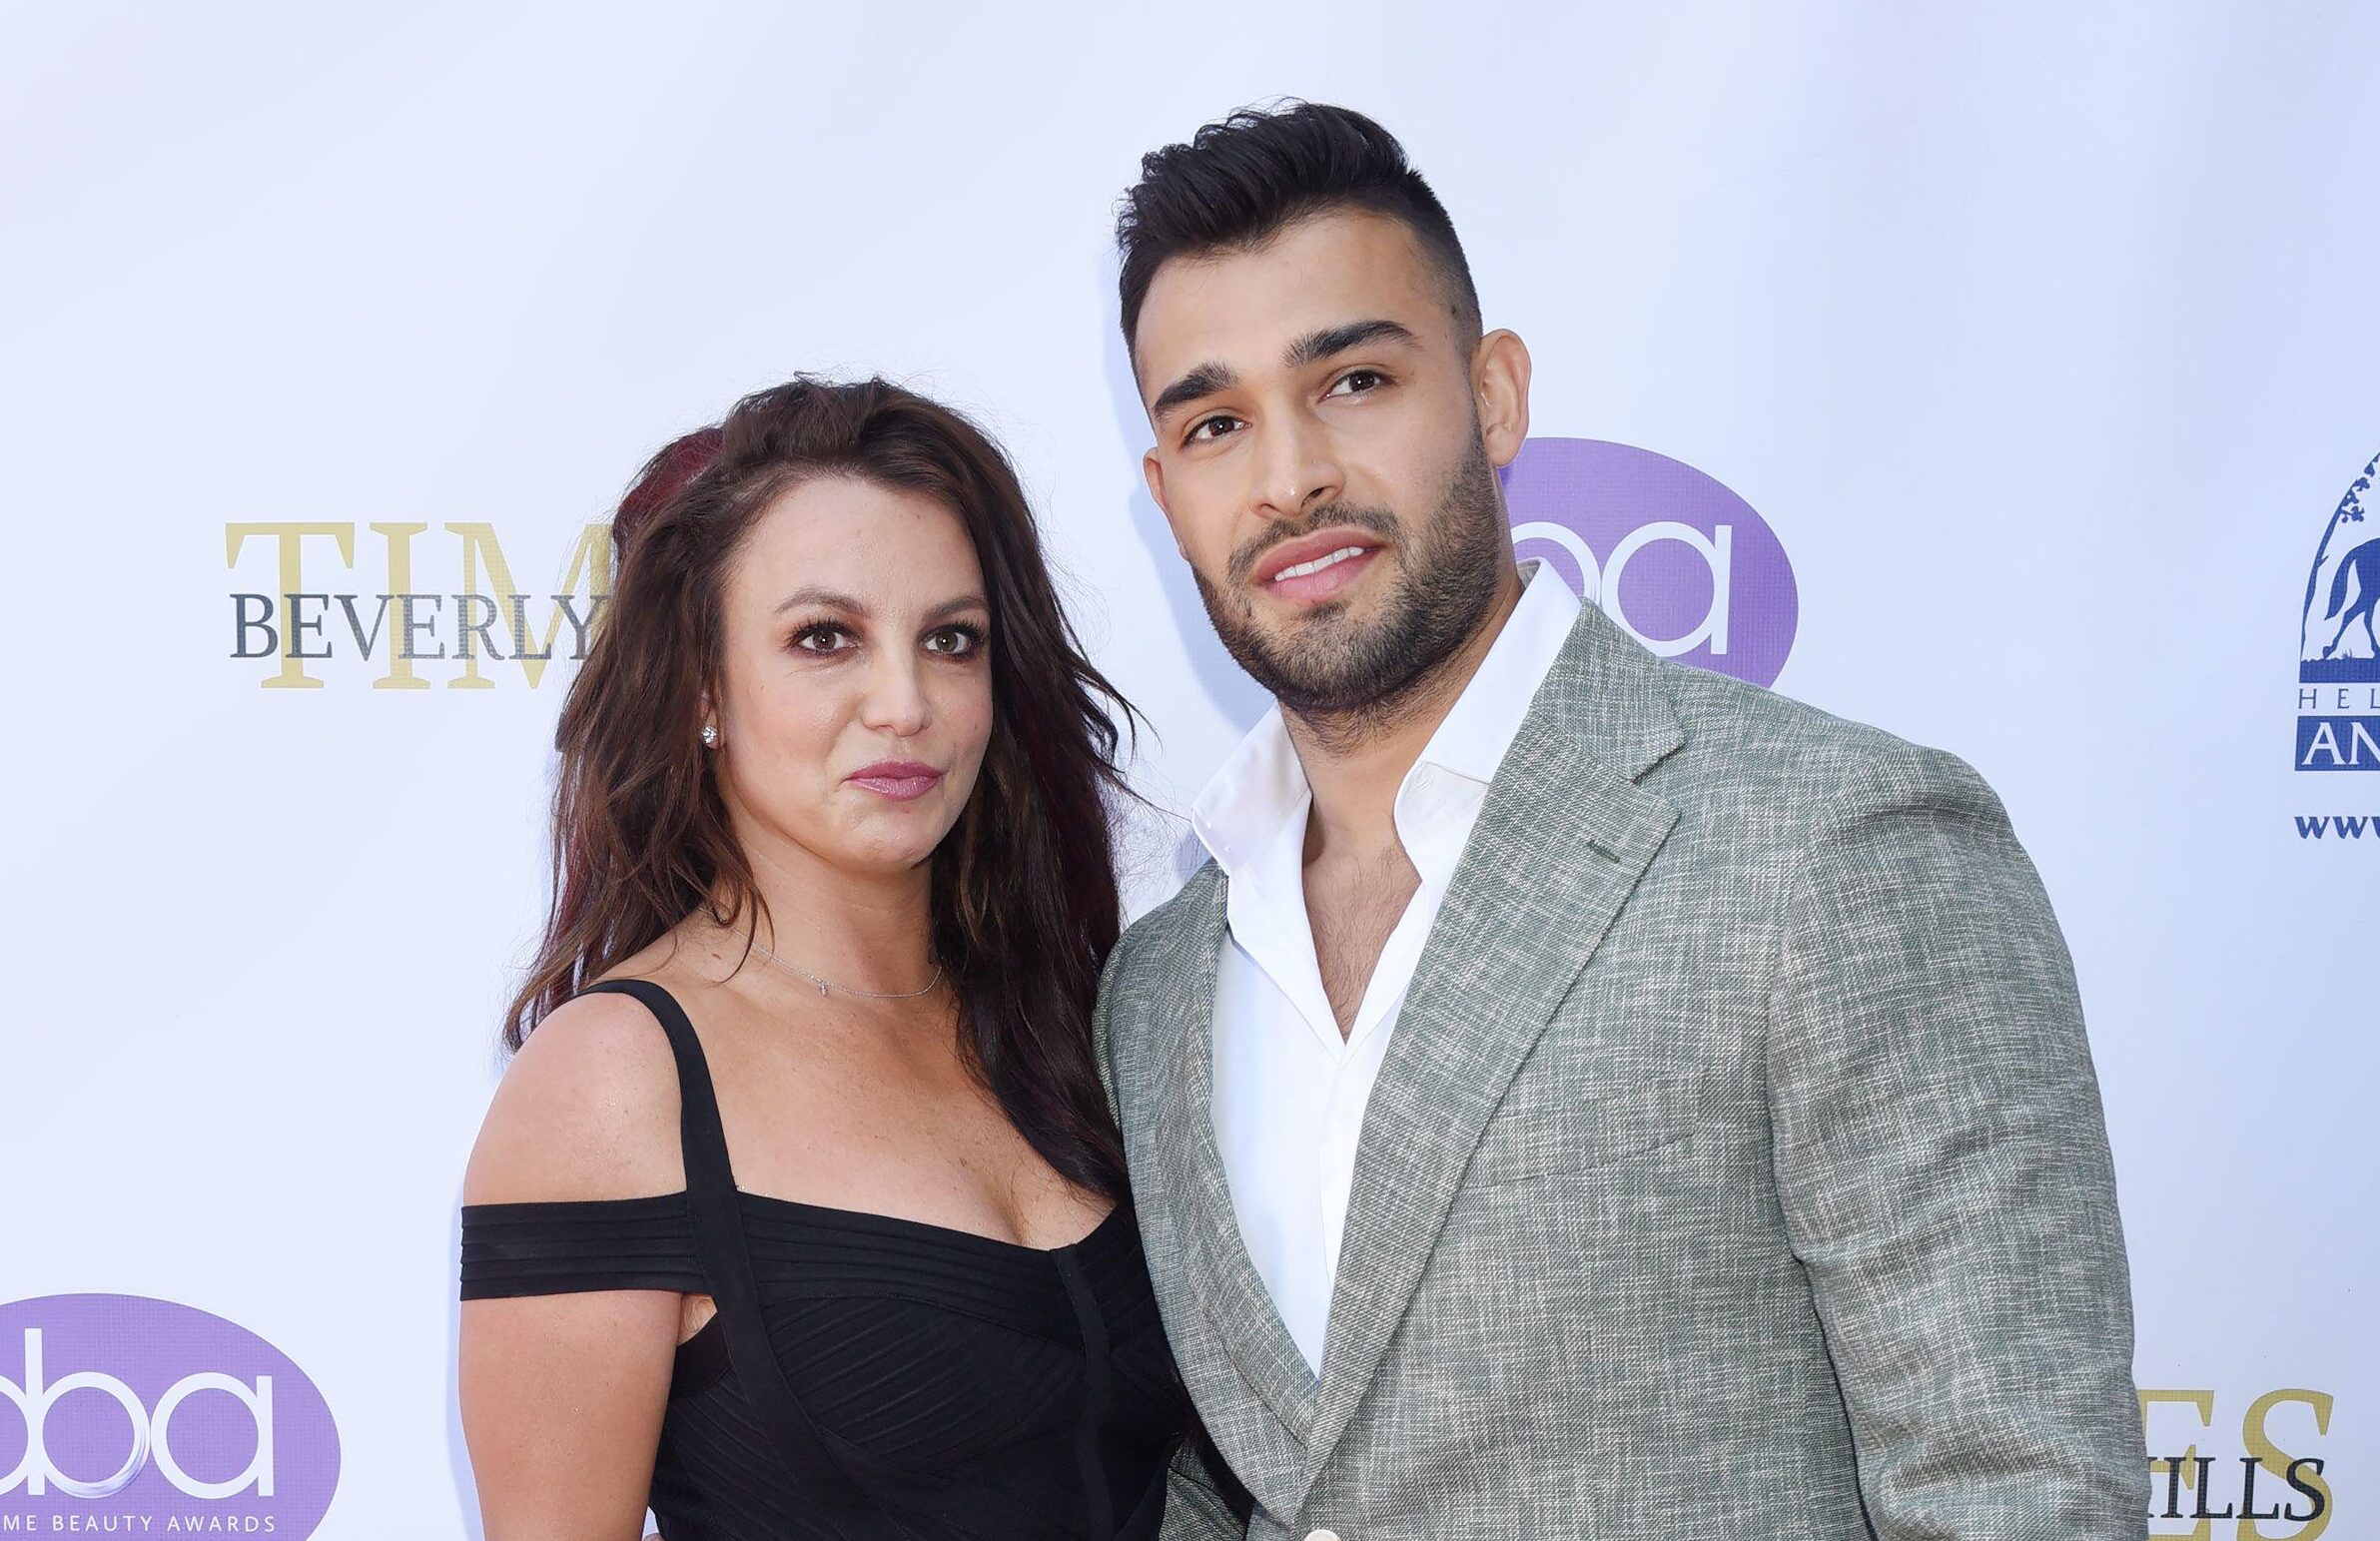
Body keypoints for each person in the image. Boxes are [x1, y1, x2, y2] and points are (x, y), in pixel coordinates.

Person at [1096, 103, 2142, 1539]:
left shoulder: (1829, 847)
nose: (1287, 476)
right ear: (1164, 494)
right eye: (1214, 422)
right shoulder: (1154, 987)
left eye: (1350, 379)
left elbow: (2016, 1489)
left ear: (1496, 395)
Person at [457, 378, 1194, 1540]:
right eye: (824, 638)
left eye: (950, 641)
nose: (904, 703)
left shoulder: (1076, 1020)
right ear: (703, 684)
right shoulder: (613, 1081)